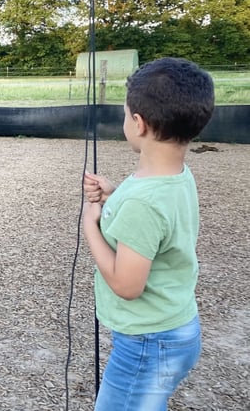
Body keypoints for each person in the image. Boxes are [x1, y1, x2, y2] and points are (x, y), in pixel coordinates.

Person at [82, 57, 215, 410]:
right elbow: (155, 221)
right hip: (175, 329)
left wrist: (90, 227)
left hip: (148, 342)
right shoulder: (175, 176)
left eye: (126, 115)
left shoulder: (144, 201)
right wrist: (113, 196)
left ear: (138, 124)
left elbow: (127, 285)